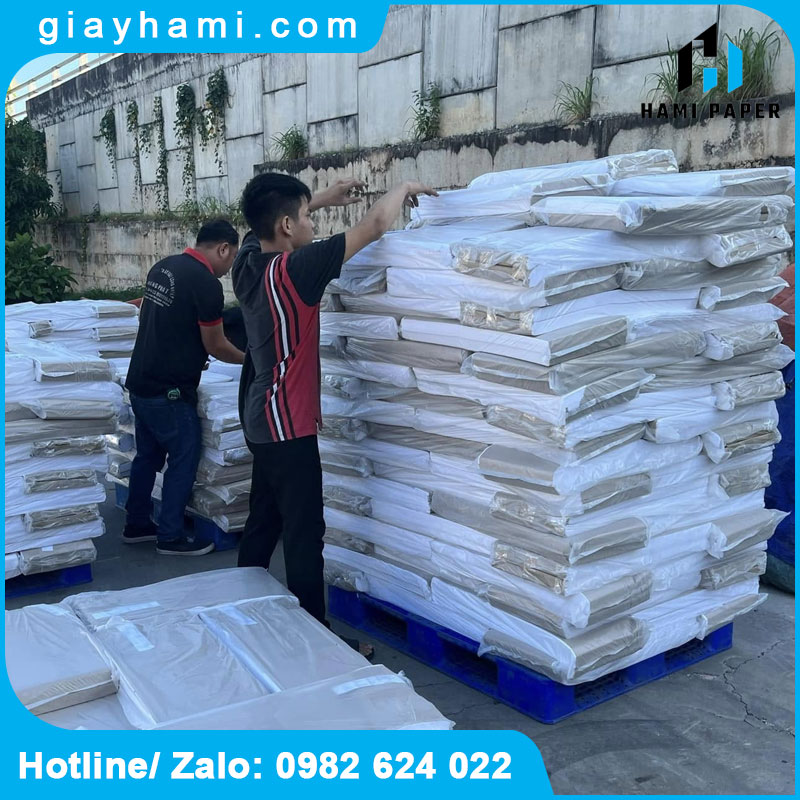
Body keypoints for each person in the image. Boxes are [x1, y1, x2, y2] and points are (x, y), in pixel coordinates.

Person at [232, 175, 437, 642]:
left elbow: (260, 226)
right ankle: (315, 636)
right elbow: (375, 226)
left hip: (259, 417)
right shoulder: (297, 270)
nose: (312, 223)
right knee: (304, 531)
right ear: (286, 226)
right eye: (306, 216)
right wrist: (403, 187)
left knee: (264, 517)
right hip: (287, 424)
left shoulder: (246, 263)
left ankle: (242, 605)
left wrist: (321, 198)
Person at [124, 219, 245, 555]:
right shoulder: (206, 284)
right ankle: (170, 536)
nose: (228, 269)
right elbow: (216, 345)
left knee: (147, 456)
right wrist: (251, 361)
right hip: (170, 392)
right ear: (223, 248)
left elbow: (158, 320)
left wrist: (188, 353)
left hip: (141, 381)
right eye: (232, 258)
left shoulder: (163, 268)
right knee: (184, 457)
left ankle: (137, 524)